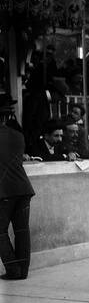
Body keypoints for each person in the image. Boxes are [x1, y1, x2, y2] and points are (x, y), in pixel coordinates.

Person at [0, 96, 34, 280]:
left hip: (3, 191)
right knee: (22, 230)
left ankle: (13, 270)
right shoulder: (17, 135)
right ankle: (23, 271)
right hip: (23, 188)